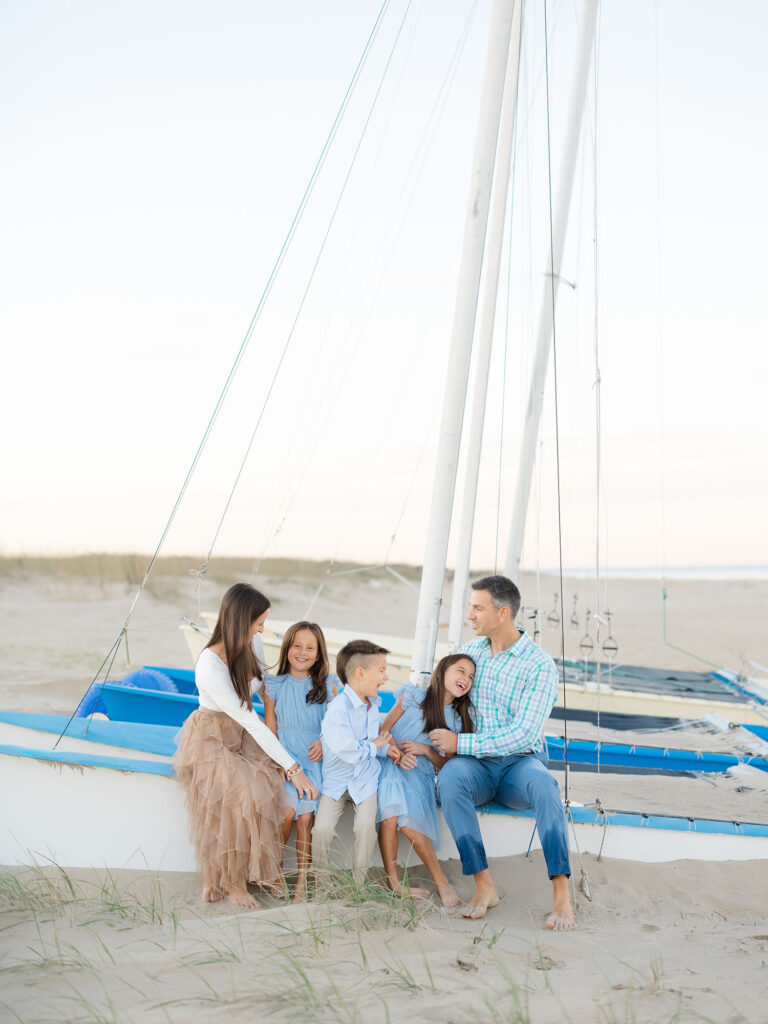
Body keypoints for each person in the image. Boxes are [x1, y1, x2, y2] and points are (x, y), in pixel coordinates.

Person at [430, 575, 574, 930]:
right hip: (476, 767)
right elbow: (439, 692)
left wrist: (459, 743)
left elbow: (524, 733)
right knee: (449, 779)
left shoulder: (539, 666)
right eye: (471, 607)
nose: (470, 615)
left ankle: (561, 894)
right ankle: (484, 886)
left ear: (504, 613)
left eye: (478, 607)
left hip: (519, 765)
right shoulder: (473, 652)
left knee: (545, 786)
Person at [173, 583, 317, 909]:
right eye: (259, 621)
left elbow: (265, 690)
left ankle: (260, 871)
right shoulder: (209, 665)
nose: (263, 628)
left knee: (268, 784)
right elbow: (247, 716)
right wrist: (294, 768)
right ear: (240, 619)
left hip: (246, 731)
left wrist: (280, 731)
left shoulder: (253, 642)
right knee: (240, 794)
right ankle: (231, 881)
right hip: (213, 736)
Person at [377, 653, 476, 908]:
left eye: (471, 676)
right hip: (390, 763)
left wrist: (427, 751)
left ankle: (441, 880)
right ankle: (394, 882)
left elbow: (448, 766)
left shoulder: (455, 720)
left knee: (408, 823)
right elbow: (383, 731)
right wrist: (397, 753)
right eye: (461, 671)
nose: (466, 678)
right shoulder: (412, 697)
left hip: (419, 775)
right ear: (442, 671)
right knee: (389, 816)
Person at [263, 621, 340, 903]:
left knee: (305, 819)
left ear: (319, 654)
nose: (302, 652)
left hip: (313, 760)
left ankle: (301, 885)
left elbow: (336, 722)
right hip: (285, 760)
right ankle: (274, 871)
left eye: (310, 647)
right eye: (297, 645)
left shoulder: (328, 685)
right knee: (285, 814)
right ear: (287, 648)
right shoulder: (275, 685)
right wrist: (278, 762)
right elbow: (270, 728)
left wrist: (323, 740)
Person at [312, 639, 395, 885]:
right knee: (322, 830)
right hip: (336, 782)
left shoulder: (372, 705)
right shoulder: (337, 710)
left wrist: (386, 750)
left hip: (365, 780)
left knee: (366, 827)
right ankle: (322, 884)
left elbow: (371, 743)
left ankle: (358, 884)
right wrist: (376, 746)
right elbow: (348, 751)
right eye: (381, 671)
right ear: (360, 673)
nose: (386, 677)